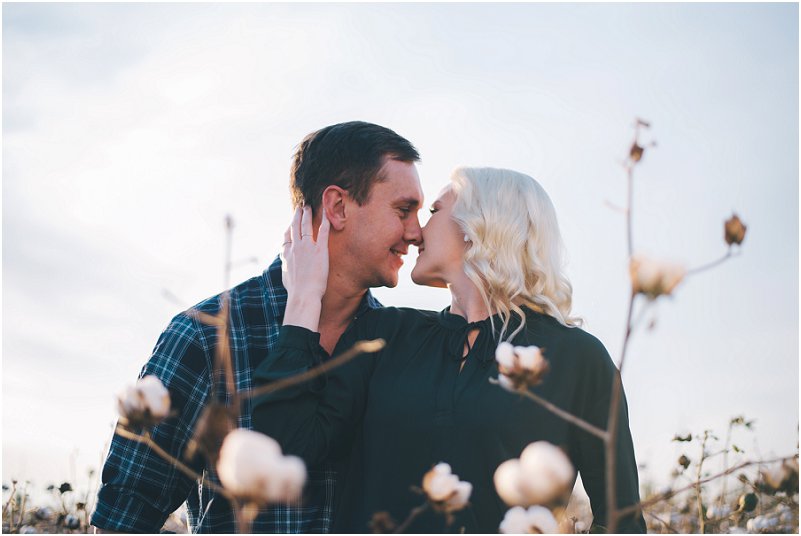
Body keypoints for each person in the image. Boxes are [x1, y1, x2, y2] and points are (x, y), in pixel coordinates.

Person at [253, 167, 647, 533]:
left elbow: (622, 520)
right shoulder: (385, 333)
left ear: (479, 228)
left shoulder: (578, 358)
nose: (415, 232)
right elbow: (292, 447)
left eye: (435, 211)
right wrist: (304, 297)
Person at [90, 121, 425, 533]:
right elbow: (124, 519)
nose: (416, 232)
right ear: (337, 207)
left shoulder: (399, 345)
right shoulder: (206, 335)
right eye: (403, 210)